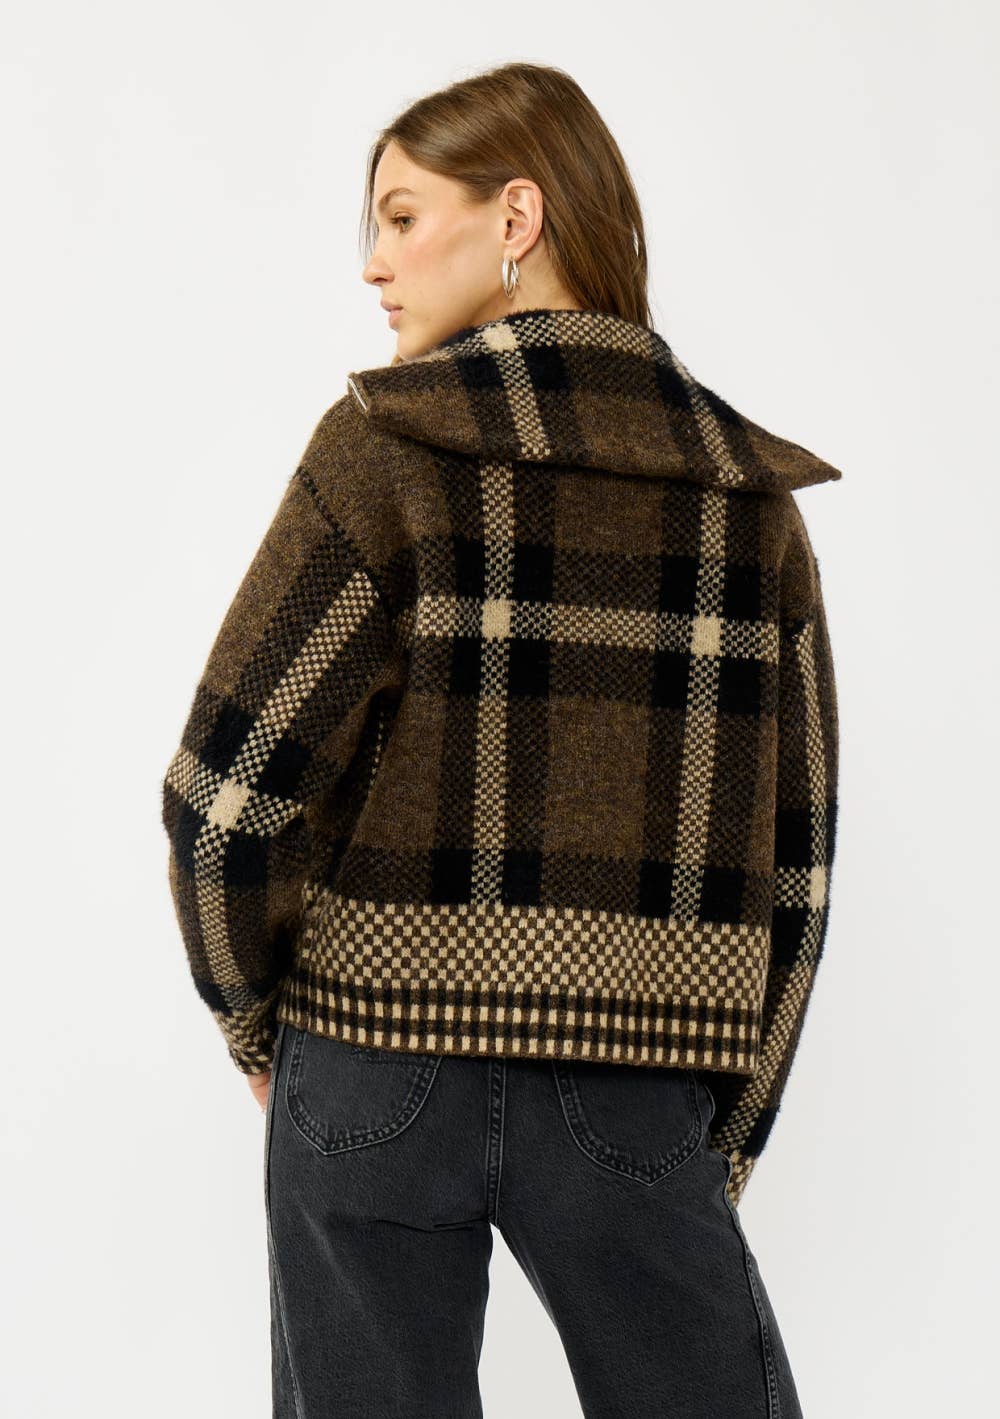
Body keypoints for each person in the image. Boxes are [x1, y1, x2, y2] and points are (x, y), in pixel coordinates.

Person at [160, 61, 841, 1419]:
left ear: (516, 216)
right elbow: (796, 869)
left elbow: (226, 800)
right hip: (633, 1076)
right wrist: (727, 1128)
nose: (374, 263)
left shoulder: (379, 450)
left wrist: (256, 1028)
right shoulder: (745, 499)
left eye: (404, 217)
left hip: (367, 1052)